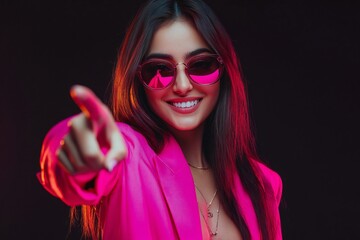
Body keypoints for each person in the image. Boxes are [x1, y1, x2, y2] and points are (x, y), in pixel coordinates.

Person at [37, 0, 283, 239]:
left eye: (201, 65)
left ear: (224, 71)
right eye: (159, 70)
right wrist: (78, 152)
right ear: (137, 78)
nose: (182, 86)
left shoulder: (263, 186)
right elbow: (75, 157)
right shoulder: (127, 155)